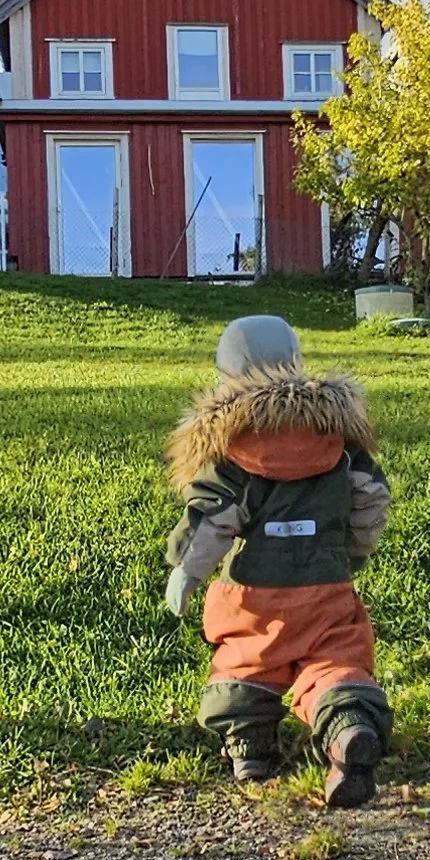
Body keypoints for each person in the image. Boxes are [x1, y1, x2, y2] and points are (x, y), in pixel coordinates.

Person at [163, 313, 394, 806]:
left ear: (228, 374)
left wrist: (186, 570)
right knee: (335, 658)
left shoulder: (231, 449)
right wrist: (353, 548)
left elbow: (213, 520)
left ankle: (249, 749)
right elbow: (372, 499)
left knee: (248, 659)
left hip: (254, 591)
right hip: (326, 583)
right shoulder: (338, 438)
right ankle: (347, 727)